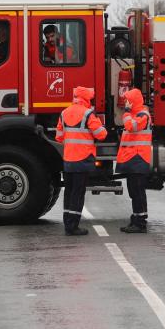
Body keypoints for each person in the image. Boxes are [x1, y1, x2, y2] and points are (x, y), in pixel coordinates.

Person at [55, 86, 107, 235]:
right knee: (78, 193)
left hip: (68, 159)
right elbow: (101, 134)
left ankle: (68, 224)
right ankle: (73, 226)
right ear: (86, 98)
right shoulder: (88, 114)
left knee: (69, 192)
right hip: (83, 159)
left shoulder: (64, 113)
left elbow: (59, 136)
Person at [117, 88, 152, 233]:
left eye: (127, 99)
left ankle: (140, 223)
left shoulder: (142, 115)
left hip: (138, 158)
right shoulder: (136, 114)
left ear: (133, 101)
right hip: (133, 159)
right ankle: (136, 219)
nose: (126, 102)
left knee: (137, 191)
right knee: (134, 191)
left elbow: (131, 127)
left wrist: (125, 112)